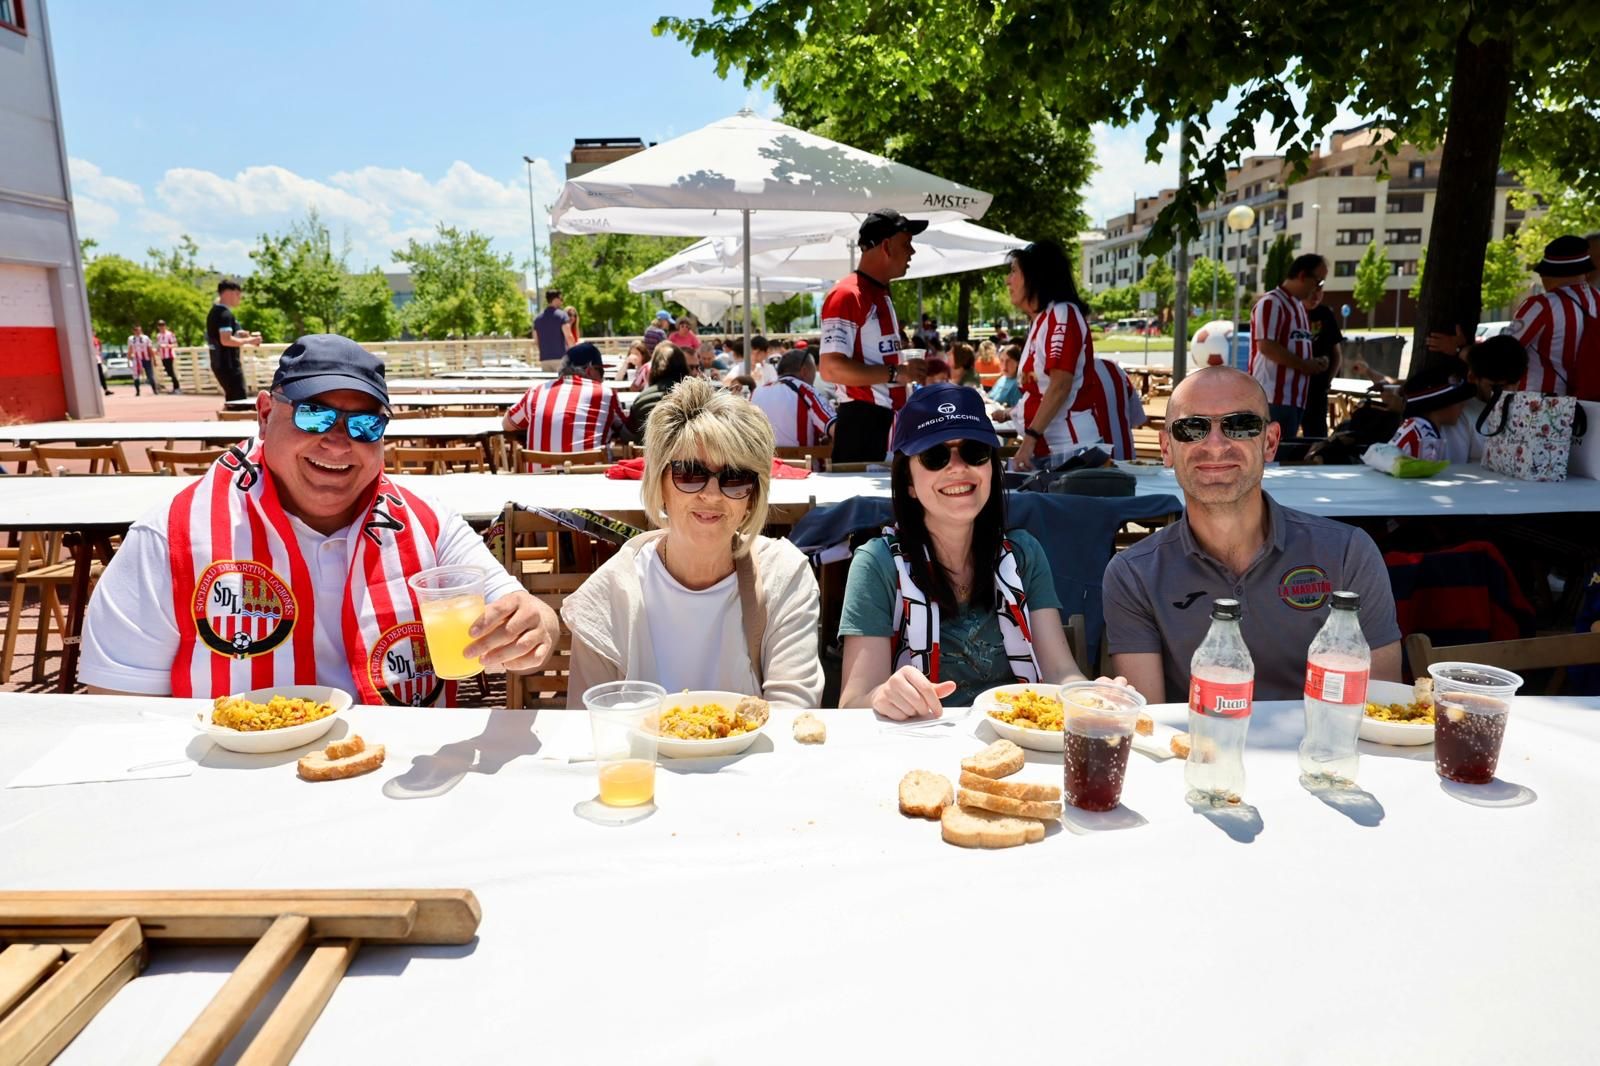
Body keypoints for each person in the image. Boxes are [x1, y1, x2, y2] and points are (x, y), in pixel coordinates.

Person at [80, 334, 558, 703]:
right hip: (234, 789)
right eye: (314, 415)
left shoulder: (427, 523)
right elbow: (118, 705)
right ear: (265, 415)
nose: (338, 441)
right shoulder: (174, 536)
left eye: (365, 423)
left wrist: (535, 625)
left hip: (400, 780)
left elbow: (520, 608)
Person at [1101, 366, 1402, 703]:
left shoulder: (1348, 553)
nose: (1215, 445)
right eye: (1192, 428)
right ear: (1167, 448)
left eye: (1240, 425)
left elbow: (1381, 707)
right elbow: (1148, 723)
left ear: (1270, 442)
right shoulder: (1133, 573)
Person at [561, 377, 823, 707]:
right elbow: (589, 728)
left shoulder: (783, 576)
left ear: (751, 497)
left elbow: (791, 714)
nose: (711, 494)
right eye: (689, 473)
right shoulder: (607, 595)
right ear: (660, 483)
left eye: (735, 477)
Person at [837, 384, 1093, 718]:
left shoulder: (1024, 554)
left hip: (1018, 740)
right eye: (935, 456)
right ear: (909, 483)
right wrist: (883, 696)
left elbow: (1060, 672)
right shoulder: (877, 564)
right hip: (916, 748)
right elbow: (853, 703)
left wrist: (1092, 695)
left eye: (974, 451)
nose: (957, 467)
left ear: (990, 467)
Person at [818, 209, 929, 462]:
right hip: (861, 423)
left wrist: (902, 369)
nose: (912, 252)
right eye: (907, 243)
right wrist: (896, 373)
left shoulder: (879, 292)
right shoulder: (848, 294)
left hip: (885, 421)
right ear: (887, 246)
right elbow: (831, 369)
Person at [1006, 239, 1113, 471]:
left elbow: (1060, 385)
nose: (1007, 280)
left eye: (1014, 271)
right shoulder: (1042, 319)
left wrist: (1029, 440)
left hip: (1070, 452)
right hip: (1053, 451)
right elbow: (1040, 389)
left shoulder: (1062, 313)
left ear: (1035, 275)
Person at [503, 342, 634, 461]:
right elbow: (628, 431)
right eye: (601, 371)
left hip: (540, 483)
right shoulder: (606, 393)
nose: (603, 378)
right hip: (591, 482)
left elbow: (507, 425)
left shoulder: (535, 392)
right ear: (589, 369)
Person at [1503, 236, 1599, 395]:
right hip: (1592, 405)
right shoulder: (1598, 300)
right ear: (1586, 272)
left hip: (1540, 406)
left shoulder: (1541, 305)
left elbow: (1502, 353)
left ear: (1549, 274)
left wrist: (1463, 350)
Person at [1248, 254, 1329, 438]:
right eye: (1318, 281)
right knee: (1271, 457)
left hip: (1295, 397)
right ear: (1302, 276)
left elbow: (1295, 345)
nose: (1319, 288)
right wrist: (1304, 365)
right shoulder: (1272, 302)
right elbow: (1266, 346)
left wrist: (1314, 362)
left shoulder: (1299, 307)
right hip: (1272, 397)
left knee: (1283, 454)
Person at [1388, 366, 1476, 461]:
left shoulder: (1417, 428)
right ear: (1438, 405)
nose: (1463, 405)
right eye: (1457, 401)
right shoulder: (1422, 439)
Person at [751, 349, 835, 448]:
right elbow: (836, 429)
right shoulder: (805, 391)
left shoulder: (756, 392)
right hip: (802, 462)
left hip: (765, 462)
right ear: (804, 371)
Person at [207, 279, 261, 402]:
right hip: (228, 364)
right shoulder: (225, 314)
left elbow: (221, 335)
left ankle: (226, 420)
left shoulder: (214, 312)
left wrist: (241, 335)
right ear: (229, 293)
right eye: (238, 294)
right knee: (239, 400)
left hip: (219, 362)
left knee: (232, 399)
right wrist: (250, 341)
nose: (239, 298)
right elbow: (225, 340)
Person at [1300, 283, 1342, 437]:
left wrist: (1327, 381)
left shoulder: (1325, 314)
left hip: (1317, 390)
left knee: (1316, 436)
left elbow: (1336, 354)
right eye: (1311, 289)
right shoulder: (1291, 312)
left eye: (1319, 290)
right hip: (1290, 391)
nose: (1315, 295)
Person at [627, 342, 691, 437]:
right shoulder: (696, 397)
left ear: (654, 367)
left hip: (647, 451)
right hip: (687, 450)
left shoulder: (641, 400)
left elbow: (630, 433)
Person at [533, 289, 569, 369]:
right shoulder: (562, 315)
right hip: (560, 358)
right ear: (555, 300)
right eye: (561, 299)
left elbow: (536, 341)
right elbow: (569, 336)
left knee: (549, 381)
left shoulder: (537, 319)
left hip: (544, 360)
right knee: (563, 381)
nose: (562, 302)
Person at [127, 324, 160, 396]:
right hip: (136, 360)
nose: (138, 332)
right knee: (136, 375)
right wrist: (128, 360)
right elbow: (130, 349)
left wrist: (154, 359)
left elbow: (150, 349)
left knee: (150, 375)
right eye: (136, 330)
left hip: (146, 359)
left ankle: (154, 390)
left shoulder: (146, 338)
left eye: (139, 330)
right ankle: (138, 391)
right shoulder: (131, 339)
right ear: (133, 331)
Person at [91, 331, 112, 395]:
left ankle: (106, 390)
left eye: (93, 331)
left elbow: (100, 349)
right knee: (96, 376)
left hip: (97, 359)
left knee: (100, 375)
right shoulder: (89, 339)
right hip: (92, 360)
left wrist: (100, 357)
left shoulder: (97, 340)